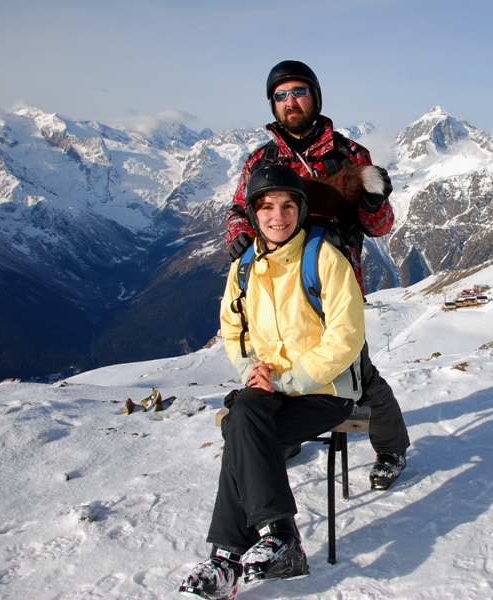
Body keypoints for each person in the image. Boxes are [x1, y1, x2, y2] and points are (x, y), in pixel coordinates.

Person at [180, 165, 367, 599]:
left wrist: (286, 381)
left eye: (287, 206)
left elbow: (346, 337)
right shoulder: (244, 266)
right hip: (270, 389)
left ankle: (227, 558)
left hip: (326, 391)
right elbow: (234, 329)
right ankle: (280, 539)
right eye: (266, 207)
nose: (277, 216)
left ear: (301, 210)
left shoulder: (324, 259)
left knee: (240, 427)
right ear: (254, 214)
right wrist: (252, 370)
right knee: (244, 418)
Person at [224, 60, 409, 490]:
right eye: (281, 95)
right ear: (273, 104)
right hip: (275, 288)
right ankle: (283, 437)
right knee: (276, 359)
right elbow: (239, 210)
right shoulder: (261, 159)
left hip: (333, 282)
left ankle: (390, 447)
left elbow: (381, 226)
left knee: (355, 371)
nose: (290, 102)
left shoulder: (349, 155)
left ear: (315, 96)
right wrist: (238, 236)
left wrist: (373, 201)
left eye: (298, 92)